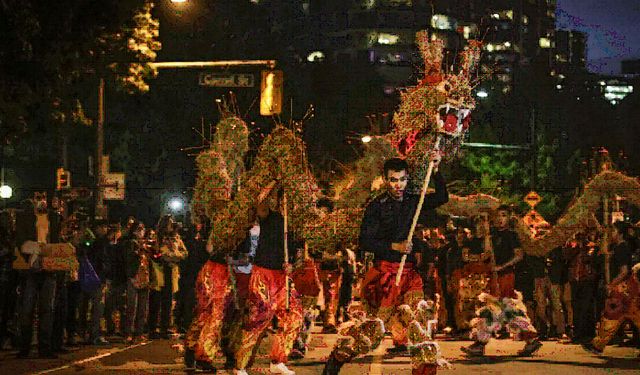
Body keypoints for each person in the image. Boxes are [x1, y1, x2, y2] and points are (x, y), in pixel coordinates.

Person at [359, 155, 448, 354]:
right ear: (385, 179)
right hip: (385, 270)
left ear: (407, 179)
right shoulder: (376, 206)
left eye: (402, 179)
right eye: (393, 180)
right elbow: (365, 241)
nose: (398, 185)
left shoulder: (412, 202)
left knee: (416, 310)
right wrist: (394, 247)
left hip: (409, 270)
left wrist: (436, 171)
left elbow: (442, 197)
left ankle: (420, 351)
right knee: (380, 323)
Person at [234, 192, 303, 375]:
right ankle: (240, 365)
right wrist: (273, 182)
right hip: (263, 273)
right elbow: (260, 203)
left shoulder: (297, 225)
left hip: (283, 277)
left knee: (293, 316)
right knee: (258, 318)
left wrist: (293, 266)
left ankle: (278, 360)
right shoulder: (270, 216)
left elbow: (300, 255)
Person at [124, 221, 150, 343]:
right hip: (134, 276)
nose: (142, 232)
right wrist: (139, 251)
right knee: (132, 307)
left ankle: (139, 332)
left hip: (144, 276)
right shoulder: (131, 243)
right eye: (139, 229)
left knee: (142, 307)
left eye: (143, 229)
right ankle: (128, 332)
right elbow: (130, 258)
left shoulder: (146, 244)